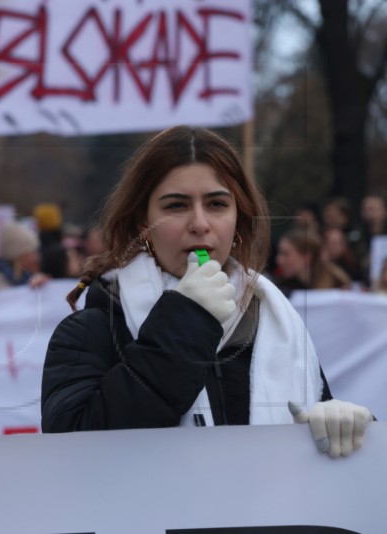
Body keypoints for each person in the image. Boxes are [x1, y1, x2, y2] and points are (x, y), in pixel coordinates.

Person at [41, 125, 372, 459]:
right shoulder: (90, 332)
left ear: (237, 218)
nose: (200, 223)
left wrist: (343, 425)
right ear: (143, 223)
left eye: (216, 204)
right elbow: (75, 455)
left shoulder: (277, 322)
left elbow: (328, 462)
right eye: (176, 206)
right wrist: (185, 320)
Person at [274, 228, 351, 297]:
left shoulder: (337, 284)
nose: (279, 260)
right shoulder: (282, 288)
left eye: (285, 254)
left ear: (307, 257)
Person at [0, 222, 50, 288]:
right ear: (16, 258)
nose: (36, 258)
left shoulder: (28, 275)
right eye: (29, 254)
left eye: (35, 252)